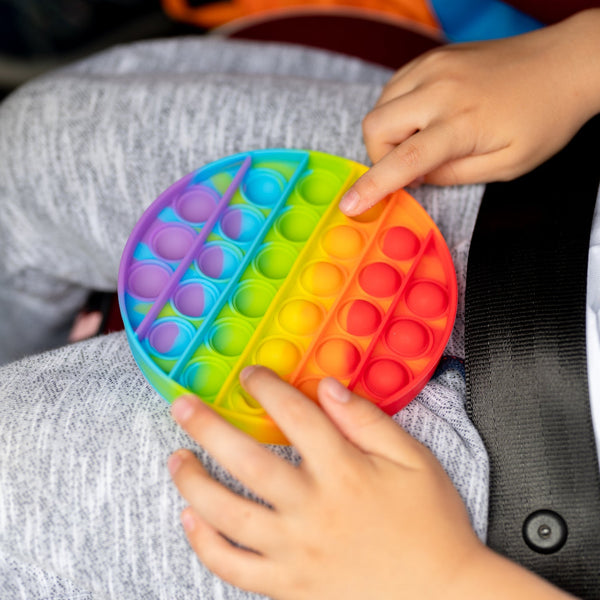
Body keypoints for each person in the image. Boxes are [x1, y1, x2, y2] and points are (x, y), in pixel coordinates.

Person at [0, 8, 597, 600]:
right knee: (29, 147)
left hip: (467, 520)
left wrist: (446, 580)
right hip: (532, 199)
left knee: (14, 480)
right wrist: (576, 60)